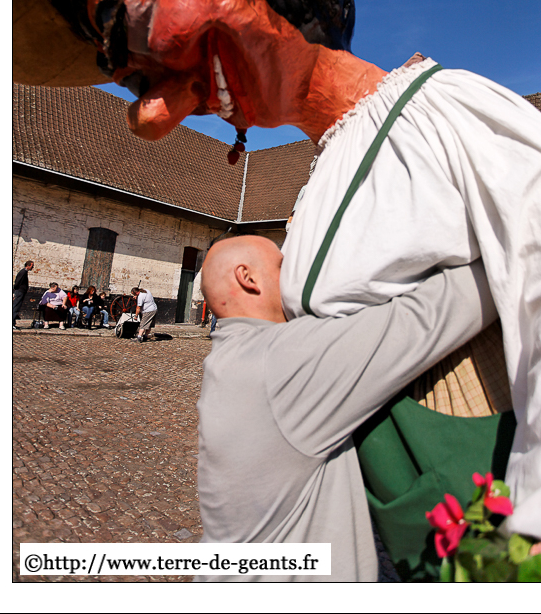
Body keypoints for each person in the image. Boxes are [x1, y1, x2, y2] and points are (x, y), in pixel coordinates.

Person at [36, 0, 541, 568]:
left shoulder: (445, 112)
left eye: (130, 23)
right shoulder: (317, 187)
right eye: (133, 79)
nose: (152, 115)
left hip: (494, 536)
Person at [194, 236, 499, 583]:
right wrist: (511, 247)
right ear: (248, 278)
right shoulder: (280, 359)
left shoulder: (229, 360)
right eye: (283, 266)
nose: (295, 274)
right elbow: (433, 316)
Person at [13, 260, 34, 330]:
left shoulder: (24, 272)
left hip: (20, 291)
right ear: (28, 265)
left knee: (16, 307)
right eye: (32, 266)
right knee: (15, 307)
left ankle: (13, 322)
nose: (33, 267)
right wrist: (16, 290)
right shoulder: (23, 272)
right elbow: (17, 282)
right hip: (19, 292)